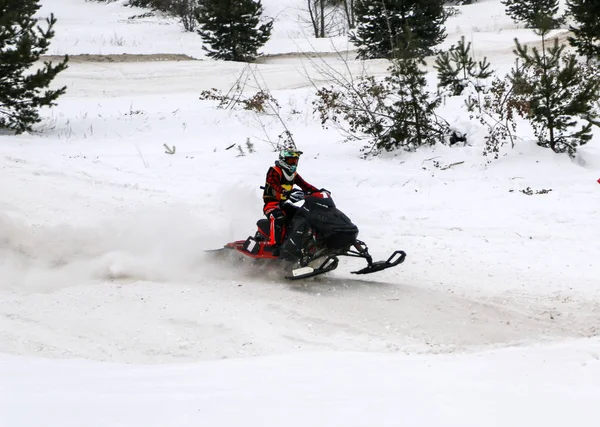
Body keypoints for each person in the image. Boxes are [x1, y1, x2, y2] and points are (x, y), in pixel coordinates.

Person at [262, 149, 319, 253]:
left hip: (284, 204)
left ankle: (303, 243)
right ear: (283, 160)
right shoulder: (274, 170)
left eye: (295, 161)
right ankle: (274, 246)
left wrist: (317, 191)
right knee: (278, 217)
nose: (294, 163)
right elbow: (273, 183)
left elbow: (304, 185)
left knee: (303, 215)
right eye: (291, 160)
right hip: (271, 204)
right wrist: (284, 191)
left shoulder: (293, 174)